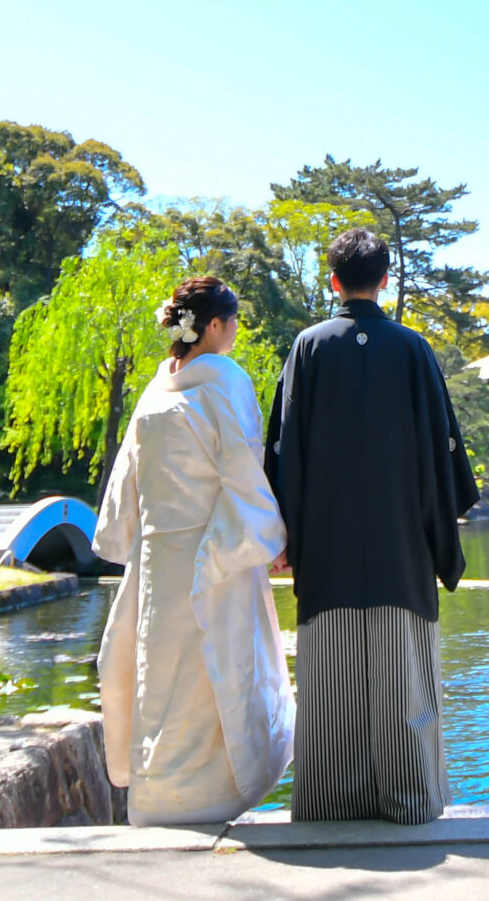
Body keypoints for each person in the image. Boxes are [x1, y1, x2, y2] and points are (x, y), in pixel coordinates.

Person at [263, 228, 478, 823]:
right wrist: (439, 532)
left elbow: (284, 448)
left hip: (327, 545)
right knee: (406, 680)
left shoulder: (308, 347)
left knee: (330, 687)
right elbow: (443, 447)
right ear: (384, 280)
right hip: (402, 545)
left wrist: (286, 533)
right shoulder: (412, 348)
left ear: (334, 280)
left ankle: (331, 804)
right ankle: (411, 800)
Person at [91, 275, 294, 826]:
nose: (236, 331)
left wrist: (128, 538)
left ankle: (158, 799)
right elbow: (242, 468)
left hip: (158, 558)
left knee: (160, 673)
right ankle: (213, 797)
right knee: (216, 667)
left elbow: (128, 479)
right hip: (210, 550)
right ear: (214, 325)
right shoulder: (226, 381)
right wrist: (269, 537)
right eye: (233, 321)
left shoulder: (154, 392)